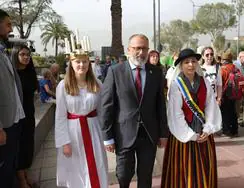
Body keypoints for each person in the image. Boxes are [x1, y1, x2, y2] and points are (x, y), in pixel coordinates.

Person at [100, 34, 169, 188]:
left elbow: (160, 105)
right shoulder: (115, 72)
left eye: (144, 48)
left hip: (149, 134)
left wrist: (164, 133)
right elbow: (106, 105)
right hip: (124, 134)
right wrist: (107, 137)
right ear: (129, 50)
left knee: (145, 176)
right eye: (137, 48)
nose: (141, 52)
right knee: (123, 174)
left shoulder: (156, 73)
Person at [161, 48, 221, 188]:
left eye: (193, 61)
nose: (190, 65)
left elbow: (210, 105)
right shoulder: (176, 84)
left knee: (204, 168)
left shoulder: (204, 82)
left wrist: (208, 128)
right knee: (184, 169)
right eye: (186, 62)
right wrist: (190, 135)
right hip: (183, 136)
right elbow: (176, 113)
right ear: (181, 65)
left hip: (203, 133)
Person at [55, 49, 108, 188]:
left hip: (93, 130)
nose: (81, 65)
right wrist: (64, 142)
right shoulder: (63, 86)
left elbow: (102, 112)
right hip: (73, 133)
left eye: (85, 61)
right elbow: (60, 116)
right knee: (76, 168)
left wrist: (107, 136)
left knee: (97, 164)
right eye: (77, 61)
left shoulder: (97, 84)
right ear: (71, 64)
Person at [0, 9, 25, 188]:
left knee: (9, 168)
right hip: (4, 126)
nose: (11, 28)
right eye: (8, 24)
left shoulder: (3, 51)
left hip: (14, 121)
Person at [11, 45, 38, 188]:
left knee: (28, 145)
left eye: (28, 54)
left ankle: (26, 174)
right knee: (20, 147)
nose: (26, 57)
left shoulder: (30, 72)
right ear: (16, 55)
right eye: (22, 54)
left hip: (29, 114)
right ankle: (21, 180)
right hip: (17, 117)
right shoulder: (12, 74)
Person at [220, 51, 239, 137]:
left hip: (225, 94)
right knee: (233, 112)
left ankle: (226, 131)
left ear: (224, 60)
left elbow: (220, 83)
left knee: (225, 113)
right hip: (234, 93)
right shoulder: (235, 68)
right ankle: (234, 130)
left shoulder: (223, 69)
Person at [234, 51, 244, 127]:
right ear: (240, 57)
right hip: (236, 90)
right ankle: (235, 121)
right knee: (236, 106)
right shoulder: (235, 65)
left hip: (242, 89)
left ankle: (240, 120)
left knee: (241, 106)